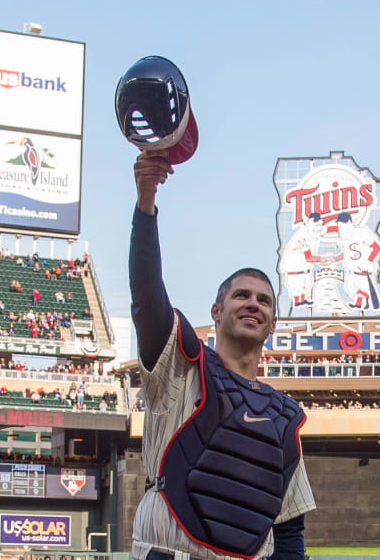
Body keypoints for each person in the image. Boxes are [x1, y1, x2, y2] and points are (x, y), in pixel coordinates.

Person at [129, 150, 314, 560]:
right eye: (241, 295)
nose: (253, 304)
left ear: (273, 322)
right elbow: (146, 299)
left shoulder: (283, 418)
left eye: (264, 300)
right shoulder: (180, 368)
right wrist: (146, 204)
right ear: (216, 311)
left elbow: (289, 532)